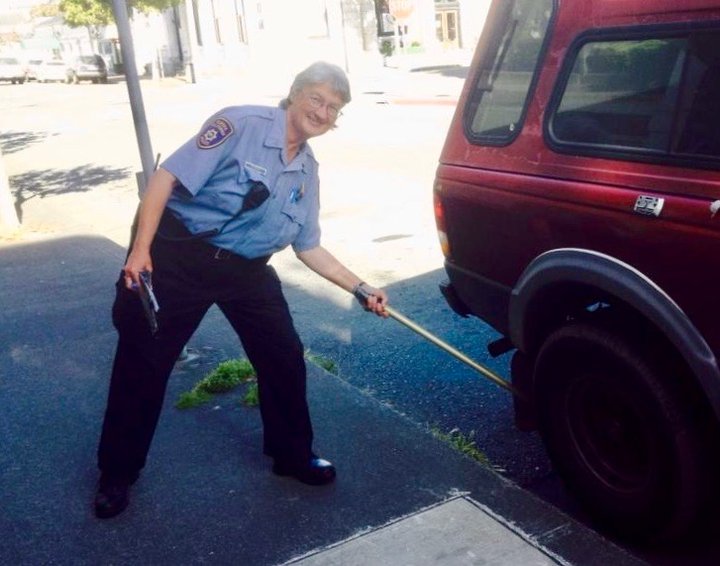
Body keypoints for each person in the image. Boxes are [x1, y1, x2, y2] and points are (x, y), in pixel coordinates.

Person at [94, 61, 388, 519]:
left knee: (283, 355)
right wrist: (140, 251)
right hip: (181, 257)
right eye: (317, 98)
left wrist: (361, 287)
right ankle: (116, 474)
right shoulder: (241, 124)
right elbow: (165, 178)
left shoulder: (307, 171)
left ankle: (292, 457)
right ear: (294, 93)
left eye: (334, 108)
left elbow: (307, 246)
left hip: (246, 270)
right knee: (143, 365)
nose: (323, 112)